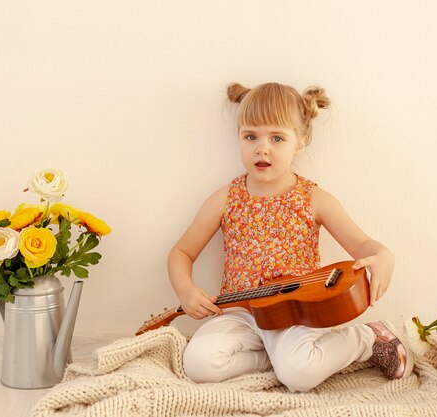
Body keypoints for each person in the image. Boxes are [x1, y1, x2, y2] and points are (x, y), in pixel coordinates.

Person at [167, 82, 413, 392]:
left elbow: (363, 245)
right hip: (241, 314)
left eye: (277, 138)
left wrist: (384, 256)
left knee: (300, 376)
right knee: (199, 364)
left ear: (301, 141)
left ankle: (367, 339)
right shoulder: (225, 199)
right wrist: (186, 290)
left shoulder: (314, 199)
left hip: (295, 316)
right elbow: (182, 252)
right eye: (251, 136)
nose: (262, 148)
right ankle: (279, 360)